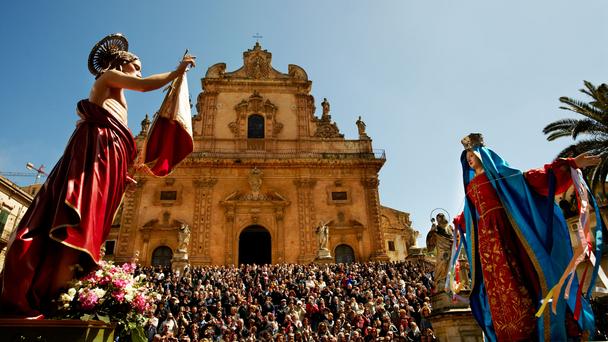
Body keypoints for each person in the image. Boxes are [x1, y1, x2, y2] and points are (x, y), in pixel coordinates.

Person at [0, 33, 196, 317]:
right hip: (96, 151)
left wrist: (123, 174)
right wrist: (178, 71)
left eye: (139, 68)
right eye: (136, 66)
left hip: (110, 157)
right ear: (121, 63)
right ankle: (57, 300)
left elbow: (123, 127)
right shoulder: (107, 78)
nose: (138, 71)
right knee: (79, 218)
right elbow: (143, 86)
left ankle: (66, 293)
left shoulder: (119, 97)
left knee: (92, 223)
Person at [452, 133, 601, 341]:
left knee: (522, 274)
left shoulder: (499, 175)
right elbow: (472, 214)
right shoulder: (469, 187)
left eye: (472, 153)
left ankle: (533, 327)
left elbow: (532, 178)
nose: (469, 157)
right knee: (496, 287)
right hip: (486, 242)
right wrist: (459, 223)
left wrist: (570, 164)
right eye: (466, 155)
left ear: (482, 154)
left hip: (508, 232)